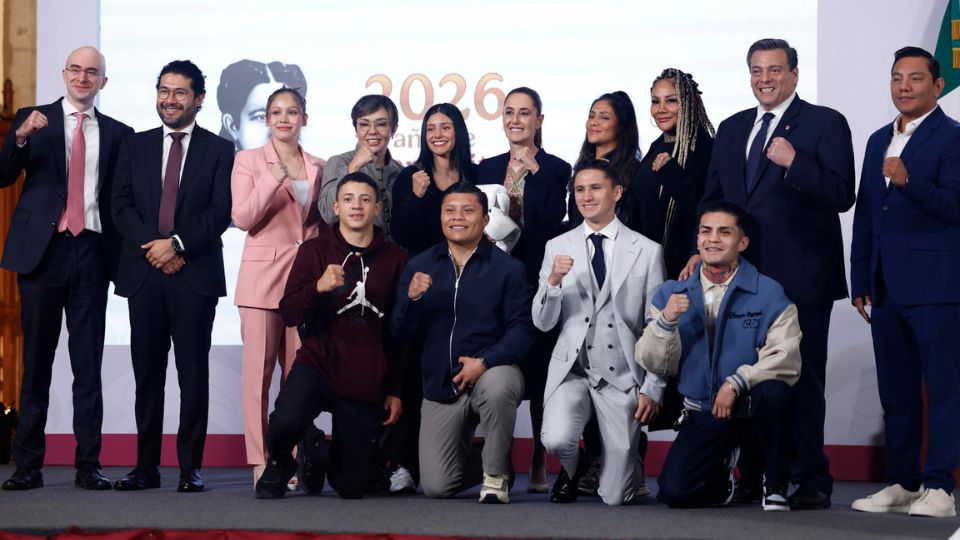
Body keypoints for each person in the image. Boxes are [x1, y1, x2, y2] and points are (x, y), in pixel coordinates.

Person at [688, 38, 856, 509]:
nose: (766, 78)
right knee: (745, 375)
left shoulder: (825, 123)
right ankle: (756, 476)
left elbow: (842, 192)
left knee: (800, 379)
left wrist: (794, 162)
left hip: (801, 279)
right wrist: (700, 250)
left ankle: (810, 479)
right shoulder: (733, 126)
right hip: (742, 279)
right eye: (757, 70)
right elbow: (713, 198)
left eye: (775, 70)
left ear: (795, 74)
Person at [0, 46, 133, 491]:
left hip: (92, 254)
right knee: (36, 363)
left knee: (87, 365)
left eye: (91, 71)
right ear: (63, 74)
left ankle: (88, 465)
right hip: (43, 253)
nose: (82, 77)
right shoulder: (31, 117)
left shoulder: (119, 133)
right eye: (75, 69)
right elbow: (2, 174)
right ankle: (28, 466)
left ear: (103, 82)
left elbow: (121, 201)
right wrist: (19, 137)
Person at [111, 60, 234, 492]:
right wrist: (157, 249)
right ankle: (145, 468)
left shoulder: (220, 150)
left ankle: (189, 469)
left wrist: (177, 245)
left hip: (193, 275)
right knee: (147, 375)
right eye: (164, 90)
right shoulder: (134, 145)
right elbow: (120, 207)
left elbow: (220, 212)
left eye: (180, 92)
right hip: (144, 274)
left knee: (192, 374)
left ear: (199, 99)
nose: (170, 99)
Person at [849, 46, 960, 518]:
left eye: (916, 78)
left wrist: (909, 181)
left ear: (937, 86)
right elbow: (866, 215)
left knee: (942, 389)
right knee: (896, 392)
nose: (904, 86)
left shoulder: (952, 137)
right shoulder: (878, 139)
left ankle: (940, 487)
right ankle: (903, 480)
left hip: (937, 286)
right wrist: (859, 278)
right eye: (897, 78)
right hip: (886, 288)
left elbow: (955, 208)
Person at [637, 201, 801, 511]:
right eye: (706, 231)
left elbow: (786, 357)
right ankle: (723, 471)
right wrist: (665, 322)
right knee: (674, 493)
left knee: (776, 392)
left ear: (742, 242)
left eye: (724, 232)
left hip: (749, 406)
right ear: (697, 239)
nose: (713, 239)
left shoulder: (769, 293)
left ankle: (775, 481)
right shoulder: (670, 294)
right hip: (704, 411)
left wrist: (737, 382)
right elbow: (655, 363)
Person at [254, 173, 408, 500]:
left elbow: (399, 333)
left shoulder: (396, 258)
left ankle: (316, 452)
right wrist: (317, 288)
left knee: (353, 487)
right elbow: (290, 312)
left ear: (377, 207)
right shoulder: (314, 251)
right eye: (349, 199)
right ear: (336, 206)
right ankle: (282, 461)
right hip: (319, 361)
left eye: (365, 200)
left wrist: (395, 389)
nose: (357, 206)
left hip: (364, 374)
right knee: (284, 420)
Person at [391, 182, 535, 504]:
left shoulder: (509, 269)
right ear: (440, 216)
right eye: (450, 210)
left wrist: (484, 363)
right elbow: (400, 332)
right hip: (442, 385)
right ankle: (493, 464)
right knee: (437, 486)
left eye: (468, 211)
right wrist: (412, 299)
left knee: (500, 385)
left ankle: (496, 476)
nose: (458, 217)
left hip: (490, 372)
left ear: (485, 220)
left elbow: (523, 330)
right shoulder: (419, 266)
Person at [532, 160, 665, 506]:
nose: (586, 197)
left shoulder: (647, 250)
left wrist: (652, 387)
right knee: (556, 440)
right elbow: (543, 322)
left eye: (595, 188)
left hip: (621, 375)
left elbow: (659, 329)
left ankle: (627, 461)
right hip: (573, 371)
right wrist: (553, 283)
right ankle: (574, 469)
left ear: (616, 193)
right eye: (579, 189)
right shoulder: (556, 246)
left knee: (616, 498)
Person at [477, 87, 571, 492]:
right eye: (509, 112)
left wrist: (534, 171)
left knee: (539, 365)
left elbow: (552, 222)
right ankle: (494, 456)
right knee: (499, 361)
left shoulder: (556, 168)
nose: (516, 119)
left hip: (537, 276)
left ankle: (538, 455)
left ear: (539, 120)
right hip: (493, 278)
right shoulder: (487, 165)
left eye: (525, 113)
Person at [231, 87, 326, 486]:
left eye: (292, 112)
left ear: (305, 117)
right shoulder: (249, 161)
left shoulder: (320, 165)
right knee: (258, 378)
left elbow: (318, 227)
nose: (284, 118)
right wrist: (272, 178)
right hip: (262, 283)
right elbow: (242, 217)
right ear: (267, 119)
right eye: (276, 112)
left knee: (297, 380)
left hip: (304, 284)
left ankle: (287, 458)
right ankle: (261, 459)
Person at [632, 69, 714, 279]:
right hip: (645, 266)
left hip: (684, 268)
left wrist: (672, 173)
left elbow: (704, 208)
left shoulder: (706, 148)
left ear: (690, 103)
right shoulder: (656, 146)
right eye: (655, 101)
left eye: (670, 101)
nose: (661, 109)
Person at [392, 103, 477, 255]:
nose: (437, 135)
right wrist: (416, 197)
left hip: (472, 266)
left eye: (445, 127)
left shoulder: (476, 174)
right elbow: (401, 236)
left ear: (458, 131)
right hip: (426, 270)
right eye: (430, 129)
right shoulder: (411, 176)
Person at [318, 95, 403, 238]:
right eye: (364, 124)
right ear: (356, 129)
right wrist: (353, 168)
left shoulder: (400, 172)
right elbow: (328, 214)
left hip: (395, 258)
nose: (372, 131)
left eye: (381, 124)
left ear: (393, 129)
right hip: (353, 257)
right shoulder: (339, 162)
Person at [568, 91, 641, 230]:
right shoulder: (581, 168)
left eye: (604, 118)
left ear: (622, 125)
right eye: (591, 116)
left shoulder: (635, 171)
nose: (594, 122)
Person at [217, 60, 307, 153]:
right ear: (232, 126)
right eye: (260, 117)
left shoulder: (316, 165)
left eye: (291, 113)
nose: (280, 127)